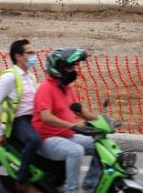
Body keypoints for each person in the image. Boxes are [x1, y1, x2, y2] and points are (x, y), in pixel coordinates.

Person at [31, 48, 101, 193]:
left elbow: (78, 110)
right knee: (76, 151)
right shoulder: (46, 88)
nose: (74, 70)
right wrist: (72, 125)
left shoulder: (66, 88)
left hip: (66, 135)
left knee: (99, 145)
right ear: (58, 69)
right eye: (70, 67)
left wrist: (101, 120)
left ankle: (90, 184)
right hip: (47, 139)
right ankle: (71, 190)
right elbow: (46, 117)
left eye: (74, 66)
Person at [0, 39, 41, 193]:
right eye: (29, 53)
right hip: (18, 121)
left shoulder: (30, 76)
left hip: (33, 119)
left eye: (33, 52)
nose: (34, 55)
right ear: (18, 56)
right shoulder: (10, 77)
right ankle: (22, 180)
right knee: (34, 140)